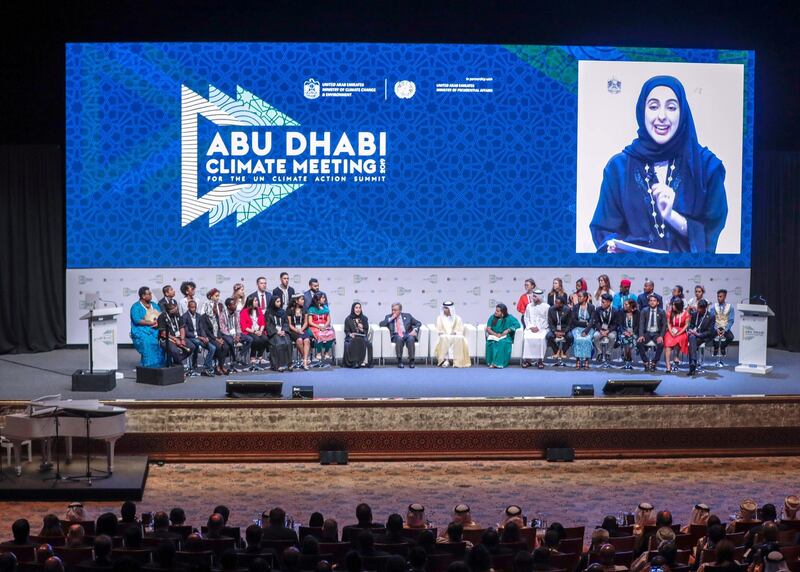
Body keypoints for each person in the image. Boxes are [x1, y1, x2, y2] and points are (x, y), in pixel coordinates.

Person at [590, 75, 728, 254]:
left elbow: (711, 231)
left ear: (683, 112)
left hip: (687, 275)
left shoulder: (706, 167)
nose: (661, 116)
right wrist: (611, 248)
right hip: (634, 273)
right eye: (653, 106)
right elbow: (604, 228)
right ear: (642, 110)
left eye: (671, 107)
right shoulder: (618, 168)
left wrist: (672, 217)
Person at [130, 286, 164, 368]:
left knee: (163, 340)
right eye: (149, 294)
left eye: (151, 293)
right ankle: (148, 366)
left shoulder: (154, 305)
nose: (151, 295)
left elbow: (160, 316)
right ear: (143, 296)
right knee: (147, 341)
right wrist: (150, 323)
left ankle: (160, 365)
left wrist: (158, 323)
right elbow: (137, 320)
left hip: (155, 328)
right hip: (140, 330)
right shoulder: (135, 307)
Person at [380, 303, 422, 369]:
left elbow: (418, 323)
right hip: (396, 335)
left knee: (411, 339)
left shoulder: (408, 316)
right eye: (392, 310)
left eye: (395, 310)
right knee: (399, 338)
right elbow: (381, 324)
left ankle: (411, 361)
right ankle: (399, 360)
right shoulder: (388, 316)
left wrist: (415, 330)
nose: (393, 312)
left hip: (407, 334)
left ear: (400, 310)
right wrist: (391, 318)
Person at [182, 299, 216, 377]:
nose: (193, 309)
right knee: (196, 343)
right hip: (191, 338)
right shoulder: (184, 317)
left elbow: (202, 329)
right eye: (191, 307)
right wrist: (199, 337)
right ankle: (195, 365)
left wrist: (205, 337)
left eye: (194, 307)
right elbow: (186, 332)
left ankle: (206, 367)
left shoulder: (198, 316)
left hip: (200, 338)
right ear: (188, 307)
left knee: (213, 348)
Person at [433, 301, 470, 368]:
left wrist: (455, 332)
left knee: (458, 339)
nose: (444, 310)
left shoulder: (458, 318)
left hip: (455, 336)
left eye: (446, 308)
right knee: (445, 339)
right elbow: (438, 329)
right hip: (443, 337)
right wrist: (441, 332)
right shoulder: (440, 318)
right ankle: (446, 360)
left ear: (451, 309)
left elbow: (460, 330)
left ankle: (457, 361)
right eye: (444, 308)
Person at [202, 289, 230, 375]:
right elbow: (206, 330)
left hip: (217, 336)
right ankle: (216, 366)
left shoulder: (216, 316)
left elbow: (218, 328)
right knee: (218, 347)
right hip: (209, 337)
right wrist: (216, 339)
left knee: (225, 346)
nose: (213, 310)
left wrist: (220, 337)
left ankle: (221, 365)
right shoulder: (204, 317)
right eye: (216, 296)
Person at [157, 302, 193, 369]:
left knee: (191, 346)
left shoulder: (177, 315)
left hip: (178, 337)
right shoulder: (162, 317)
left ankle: (176, 362)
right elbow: (163, 333)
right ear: (169, 311)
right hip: (166, 339)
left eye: (176, 309)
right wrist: (175, 339)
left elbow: (181, 328)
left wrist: (182, 339)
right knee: (175, 351)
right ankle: (179, 367)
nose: (177, 310)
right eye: (175, 309)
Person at [637, 295, 667, 372]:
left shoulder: (662, 312)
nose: (652, 302)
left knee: (661, 344)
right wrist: (641, 335)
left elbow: (664, 325)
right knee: (639, 342)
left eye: (654, 300)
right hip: (647, 333)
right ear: (648, 302)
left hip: (656, 333)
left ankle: (654, 362)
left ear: (657, 302)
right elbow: (641, 324)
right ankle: (646, 362)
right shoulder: (644, 311)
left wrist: (661, 336)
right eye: (650, 300)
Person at [486, 303, 521, 369]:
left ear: (503, 312)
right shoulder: (492, 317)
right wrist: (495, 334)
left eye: (497, 311)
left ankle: (498, 363)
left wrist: (508, 330)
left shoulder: (509, 318)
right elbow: (488, 329)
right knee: (491, 342)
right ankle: (491, 362)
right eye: (495, 310)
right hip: (494, 335)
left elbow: (517, 324)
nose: (495, 312)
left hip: (505, 337)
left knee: (502, 342)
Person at [222, 297, 251, 371]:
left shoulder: (236, 313)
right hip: (227, 334)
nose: (235, 306)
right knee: (230, 341)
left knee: (250, 339)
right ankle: (234, 359)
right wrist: (233, 336)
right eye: (233, 304)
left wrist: (237, 335)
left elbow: (238, 326)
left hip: (236, 333)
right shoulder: (222, 314)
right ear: (229, 306)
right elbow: (223, 328)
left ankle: (239, 356)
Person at [522, 289, 549, 369]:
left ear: (540, 297)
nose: (533, 298)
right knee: (527, 337)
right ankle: (527, 360)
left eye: (535, 296)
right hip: (530, 328)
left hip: (542, 328)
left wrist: (539, 328)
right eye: (533, 296)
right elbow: (526, 318)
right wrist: (530, 327)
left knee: (541, 338)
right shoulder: (529, 306)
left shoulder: (546, 307)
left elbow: (547, 319)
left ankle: (540, 360)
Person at [240, 296, 269, 368]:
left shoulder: (259, 309)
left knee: (265, 339)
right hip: (249, 331)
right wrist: (255, 331)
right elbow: (244, 326)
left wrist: (261, 330)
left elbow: (263, 323)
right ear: (250, 302)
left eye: (257, 301)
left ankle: (260, 357)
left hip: (259, 330)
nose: (257, 302)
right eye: (255, 301)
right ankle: (252, 357)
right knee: (256, 339)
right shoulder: (244, 312)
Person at [307, 293, 336, 364]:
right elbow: (310, 322)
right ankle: (319, 352)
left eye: (324, 298)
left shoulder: (326, 307)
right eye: (322, 298)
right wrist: (319, 327)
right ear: (318, 300)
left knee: (331, 334)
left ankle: (326, 351)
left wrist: (325, 326)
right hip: (314, 327)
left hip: (325, 326)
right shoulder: (311, 309)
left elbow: (329, 320)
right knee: (320, 334)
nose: (324, 299)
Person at [687, 300, 714, 375]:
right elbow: (691, 325)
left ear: (705, 308)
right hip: (694, 335)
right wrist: (690, 330)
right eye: (698, 307)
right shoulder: (694, 314)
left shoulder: (711, 316)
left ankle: (692, 365)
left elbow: (710, 332)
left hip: (704, 337)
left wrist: (699, 334)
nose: (698, 309)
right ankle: (693, 363)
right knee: (692, 337)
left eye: (700, 308)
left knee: (692, 341)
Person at [265, 296, 292, 372]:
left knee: (288, 343)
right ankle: (278, 365)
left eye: (280, 301)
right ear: (273, 302)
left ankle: (289, 364)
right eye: (277, 301)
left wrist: (284, 330)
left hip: (283, 332)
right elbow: (268, 325)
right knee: (279, 344)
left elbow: (286, 323)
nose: (279, 303)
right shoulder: (268, 312)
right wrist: (277, 331)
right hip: (274, 333)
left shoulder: (283, 312)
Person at [343, 302, 373, 368]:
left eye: (359, 308)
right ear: (353, 309)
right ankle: (355, 362)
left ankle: (364, 362)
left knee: (368, 343)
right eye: (356, 308)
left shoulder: (364, 318)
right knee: (353, 341)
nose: (358, 309)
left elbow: (366, 331)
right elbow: (346, 331)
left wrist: (361, 329)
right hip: (352, 337)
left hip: (362, 336)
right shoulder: (348, 319)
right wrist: (350, 334)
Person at [591, 293, 619, 363]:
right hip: (600, 330)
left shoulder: (615, 311)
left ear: (609, 303)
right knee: (595, 336)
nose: (601, 303)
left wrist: (608, 331)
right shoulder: (598, 310)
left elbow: (615, 324)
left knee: (612, 337)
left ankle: (608, 353)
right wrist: (600, 330)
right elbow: (596, 322)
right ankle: (599, 353)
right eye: (601, 302)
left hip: (610, 330)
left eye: (603, 302)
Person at [663, 299, 689, 373]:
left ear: (679, 306)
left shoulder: (686, 313)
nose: (673, 306)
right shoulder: (670, 312)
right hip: (671, 330)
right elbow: (668, 323)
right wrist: (671, 332)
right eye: (673, 304)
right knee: (668, 343)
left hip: (681, 331)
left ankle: (676, 356)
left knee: (678, 340)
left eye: (674, 305)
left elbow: (686, 325)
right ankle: (668, 366)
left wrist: (679, 333)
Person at [287, 294, 312, 370]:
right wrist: (297, 330)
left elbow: (306, 323)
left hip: (303, 329)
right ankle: (305, 358)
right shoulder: (289, 310)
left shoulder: (305, 309)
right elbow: (290, 324)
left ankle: (304, 362)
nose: (303, 301)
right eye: (301, 299)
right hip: (294, 330)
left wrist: (301, 330)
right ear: (296, 301)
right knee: (300, 340)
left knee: (307, 340)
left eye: (303, 299)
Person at [710, 289, 735, 363]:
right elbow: (712, 319)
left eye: (720, 296)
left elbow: (731, 320)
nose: (718, 298)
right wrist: (715, 328)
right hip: (716, 326)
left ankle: (723, 346)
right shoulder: (714, 307)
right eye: (718, 296)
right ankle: (716, 346)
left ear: (725, 297)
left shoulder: (730, 307)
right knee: (710, 335)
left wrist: (726, 329)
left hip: (725, 327)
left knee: (731, 337)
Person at [572, 291, 595, 369]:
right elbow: (574, 320)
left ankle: (586, 360)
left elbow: (591, 321)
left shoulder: (591, 307)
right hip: (577, 328)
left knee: (587, 339)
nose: (578, 298)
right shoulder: (575, 307)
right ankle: (577, 360)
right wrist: (584, 323)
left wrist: (586, 331)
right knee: (577, 339)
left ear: (585, 298)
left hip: (588, 328)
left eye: (580, 296)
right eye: (578, 296)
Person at [546, 296, 573, 362]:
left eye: (557, 303)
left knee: (570, 337)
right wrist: (555, 331)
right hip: (555, 329)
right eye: (555, 302)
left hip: (564, 329)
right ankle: (557, 351)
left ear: (562, 304)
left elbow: (569, 323)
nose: (555, 304)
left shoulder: (567, 310)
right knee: (549, 336)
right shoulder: (551, 309)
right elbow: (550, 322)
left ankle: (563, 351)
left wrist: (564, 332)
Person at [619, 299, 640, 369]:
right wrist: (624, 332)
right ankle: (627, 359)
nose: (624, 305)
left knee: (632, 339)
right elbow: (620, 324)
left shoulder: (637, 313)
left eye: (626, 304)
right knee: (624, 339)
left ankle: (628, 359)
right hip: (624, 332)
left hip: (633, 333)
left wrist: (633, 332)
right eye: (624, 304)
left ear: (631, 305)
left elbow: (638, 325)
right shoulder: (621, 312)